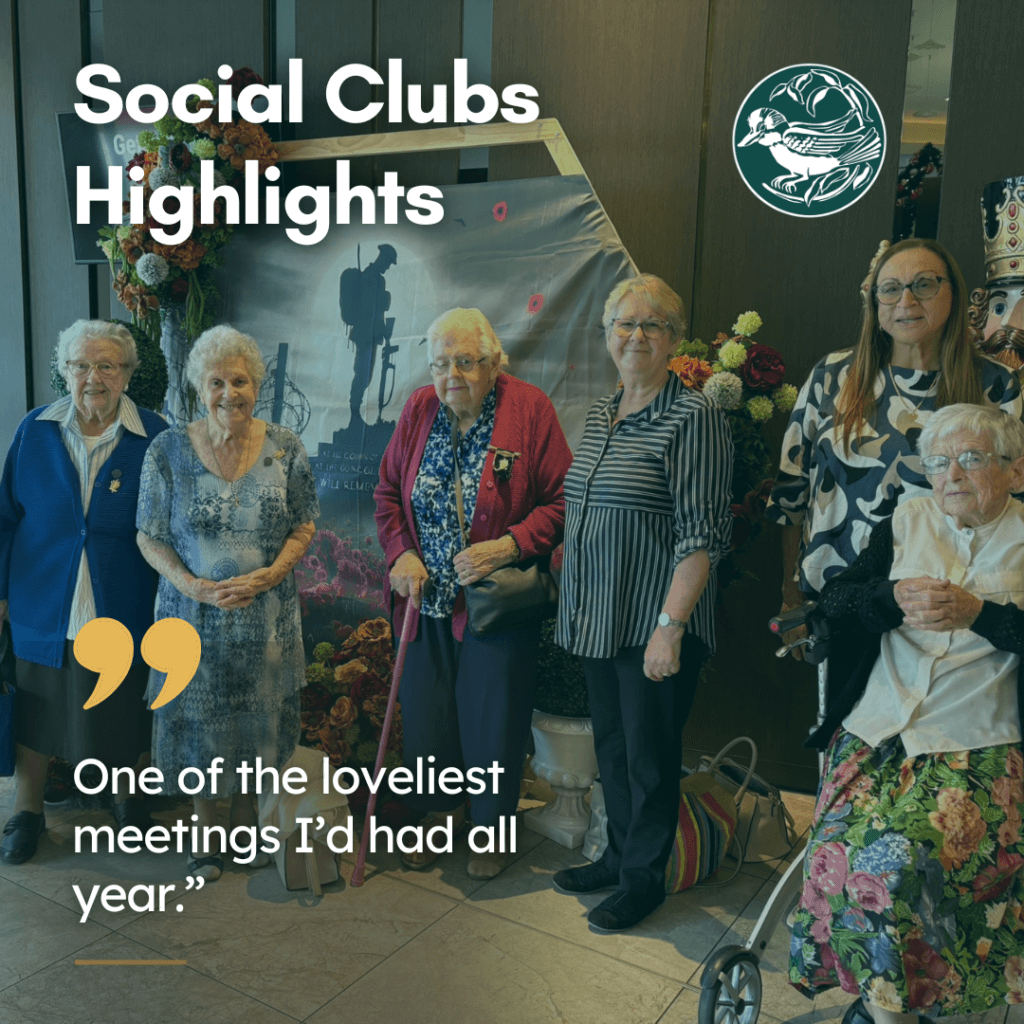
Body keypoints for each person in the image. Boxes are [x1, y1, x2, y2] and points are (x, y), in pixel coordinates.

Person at [791, 404, 1024, 1023]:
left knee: (900, 864)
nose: (951, 475)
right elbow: (838, 600)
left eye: (971, 459)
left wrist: (982, 615)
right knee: (833, 852)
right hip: (879, 725)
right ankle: (882, 1005)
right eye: (939, 462)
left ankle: (891, 1007)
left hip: (975, 737)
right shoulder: (905, 520)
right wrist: (889, 596)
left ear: (1015, 469)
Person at [551, 274, 734, 932]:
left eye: (652, 324)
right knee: (613, 749)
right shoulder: (603, 411)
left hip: (652, 624)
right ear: (607, 335)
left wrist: (670, 627)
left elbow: (702, 535)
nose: (636, 335)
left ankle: (643, 880)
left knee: (649, 760)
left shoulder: (694, 417)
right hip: (600, 620)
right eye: (624, 324)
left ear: (674, 339)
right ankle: (617, 856)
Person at [374, 307, 572, 879]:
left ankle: (492, 828)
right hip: (425, 600)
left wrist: (510, 545)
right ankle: (440, 816)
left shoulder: (528, 409)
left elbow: (563, 502)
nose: (451, 375)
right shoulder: (419, 408)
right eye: (441, 364)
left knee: (494, 721)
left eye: (465, 361)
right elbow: (387, 493)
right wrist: (401, 553)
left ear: (493, 362)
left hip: (495, 603)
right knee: (428, 715)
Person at [767, 238, 1022, 654]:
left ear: (953, 294)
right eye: (890, 289)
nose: (906, 301)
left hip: (945, 609)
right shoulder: (832, 376)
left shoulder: (996, 385)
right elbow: (791, 494)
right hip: (837, 601)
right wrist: (790, 592)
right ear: (874, 301)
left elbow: (1016, 499)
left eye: (924, 284)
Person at [136, 325, 319, 881]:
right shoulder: (166, 450)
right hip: (191, 616)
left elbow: (304, 524)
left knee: (257, 725)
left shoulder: (286, 446)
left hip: (266, 619)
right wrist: (192, 585)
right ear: (199, 387)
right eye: (216, 382)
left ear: (256, 386)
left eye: (240, 381)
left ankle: (245, 826)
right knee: (199, 726)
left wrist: (272, 574)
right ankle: (205, 834)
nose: (229, 393)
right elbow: (148, 535)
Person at [0, 320, 167, 864]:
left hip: (124, 594)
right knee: (37, 703)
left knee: (126, 699)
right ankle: (27, 810)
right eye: (80, 365)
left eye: (106, 365)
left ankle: (128, 799)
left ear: (127, 374)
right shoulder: (34, 430)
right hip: (43, 595)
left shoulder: (155, 435)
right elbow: (6, 518)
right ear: (64, 371)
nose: (93, 377)